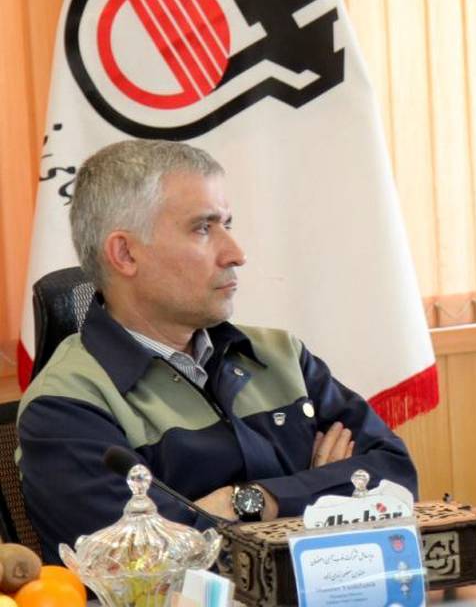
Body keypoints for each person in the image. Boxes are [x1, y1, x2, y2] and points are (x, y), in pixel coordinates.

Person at [18, 140, 419, 560]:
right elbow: (147, 560)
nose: (236, 254)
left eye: (227, 224)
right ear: (125, 253)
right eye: (203, 228)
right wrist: (323, 496)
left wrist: (251, 501)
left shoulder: (280, 355)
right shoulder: (64, 406)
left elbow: (396, 479)